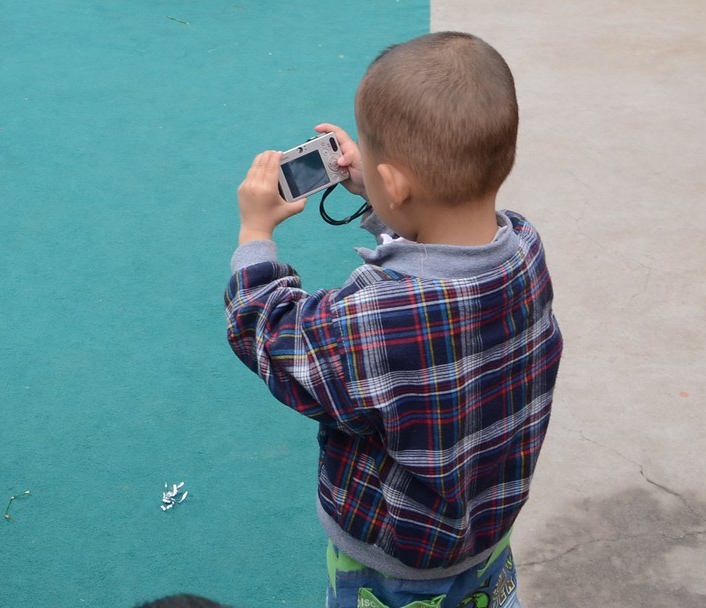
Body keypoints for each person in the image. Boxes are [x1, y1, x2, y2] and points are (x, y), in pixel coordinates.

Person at [225, 32, 562, 608]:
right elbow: (445, 242)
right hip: (487, 534)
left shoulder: (378, 311)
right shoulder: (524, 247)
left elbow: (271, 333)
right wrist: (381, 195)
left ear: (398, 184)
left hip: (393, 569)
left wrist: (256, 235)